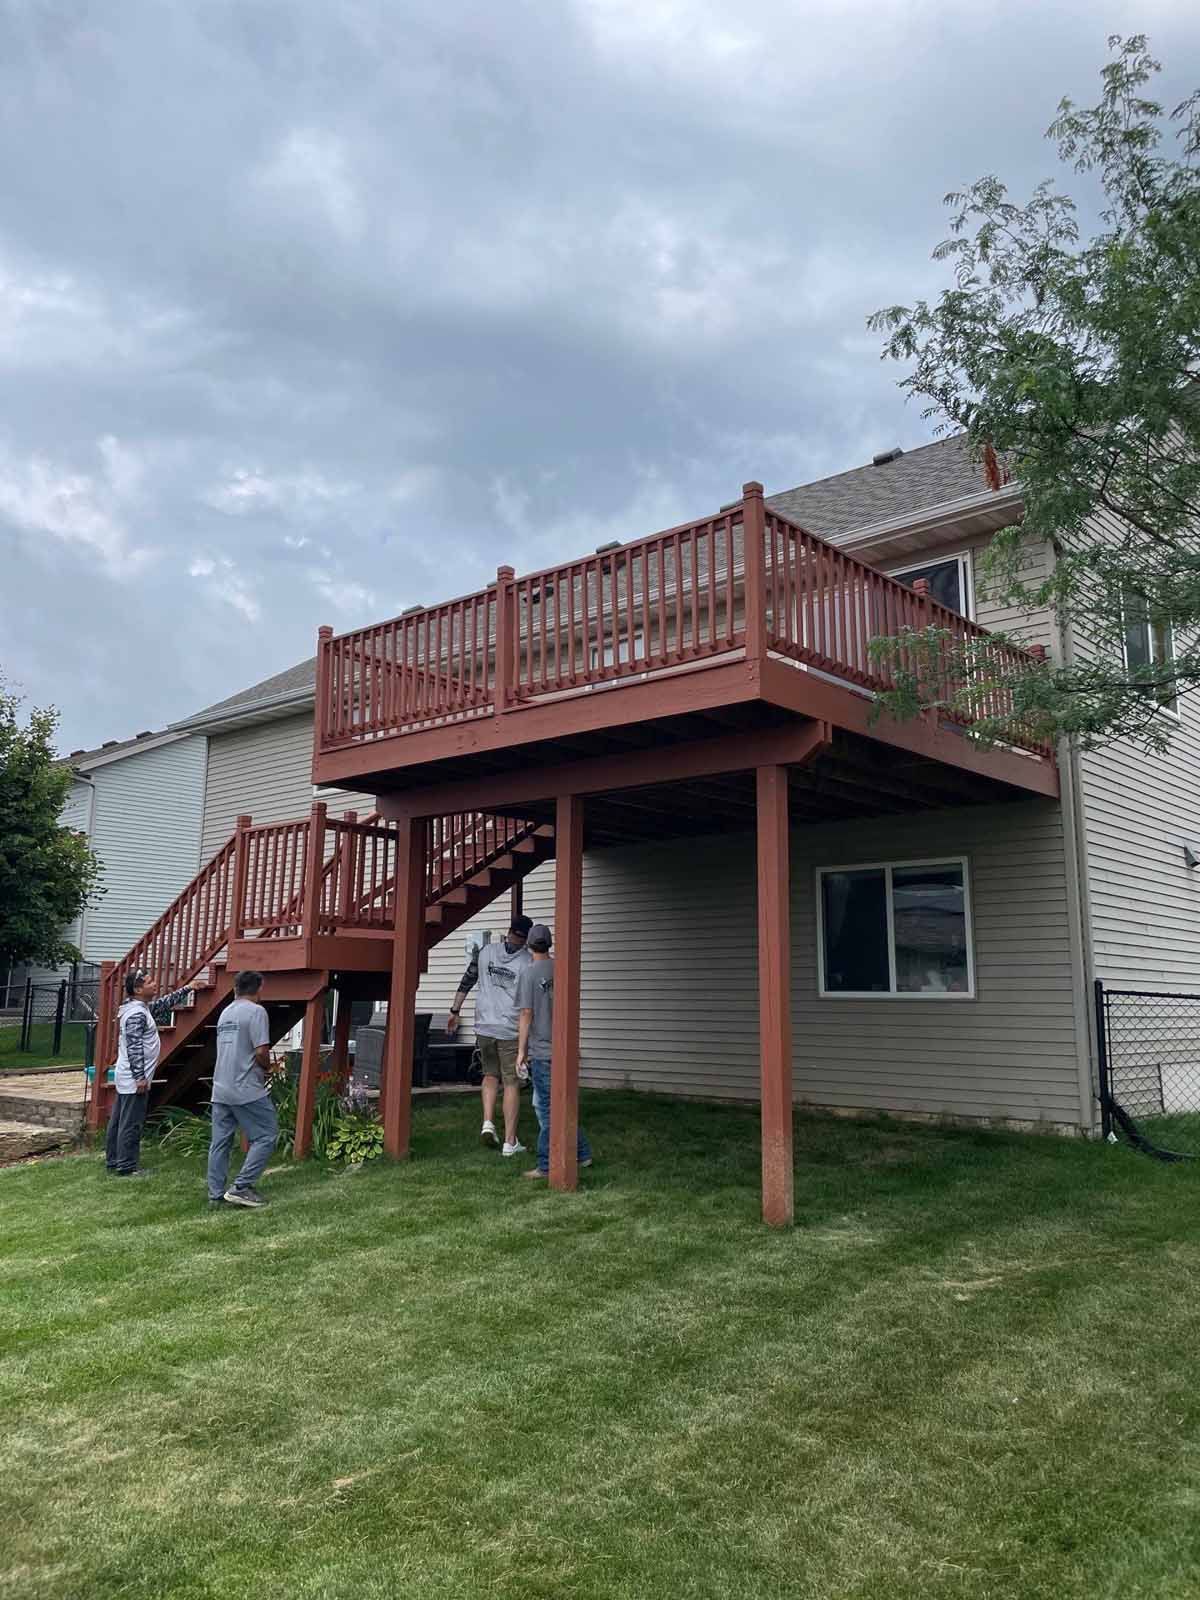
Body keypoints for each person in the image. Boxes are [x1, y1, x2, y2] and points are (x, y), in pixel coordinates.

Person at [446, 915, 532, 1154]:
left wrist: (454, 1011)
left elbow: (467, 980)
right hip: (510, 1030)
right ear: (526, 937)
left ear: (509, 930)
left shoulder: (485, 953)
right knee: (512, 1083)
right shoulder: (527, 962)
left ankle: (487, 1122)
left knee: (490, 1075)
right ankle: (510, 1141)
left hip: (484, 1027)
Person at [515, 924, 592, 1181]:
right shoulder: (562, 968)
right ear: (548, 944)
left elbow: (526, 1013)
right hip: (565, 1048)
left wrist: (521, 1051)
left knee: (547, 1108)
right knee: (555, 1103)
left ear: (528, 945)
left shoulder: (528, 974)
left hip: (544, 1050)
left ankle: (546, 1164)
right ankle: (582, 1153)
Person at [106, 970, 193, 1178]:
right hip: (133, 1078)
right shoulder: (136, 1014)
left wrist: (188, 989)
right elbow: (134, 1046)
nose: (155, 984)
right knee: (131, 1123)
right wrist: (140, 1077)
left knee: (119, 1120)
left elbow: (162, 1005)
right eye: (150, 982)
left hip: (128, 1077)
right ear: (137, 989)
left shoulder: (139, 1009)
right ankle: (127, 1165)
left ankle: (114, 1159)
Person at [207, 971, 278, 1209]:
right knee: (266, 1134)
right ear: (259, 988)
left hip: (220, 1087)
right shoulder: (257, 1012)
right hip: (245, 1087)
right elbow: (260, 1051)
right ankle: (241, 1187)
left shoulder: (226, 1012)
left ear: (236, 988)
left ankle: (215, 1194)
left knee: (220, 1142)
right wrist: (269, 1067)